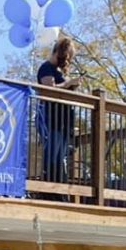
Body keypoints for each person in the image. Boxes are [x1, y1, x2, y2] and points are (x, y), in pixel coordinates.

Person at [37, 37, 80, 188]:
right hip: (52, 118)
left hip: (63, 121)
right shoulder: (46, 68)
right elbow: (50, 89)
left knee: (60, 157)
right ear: (60, 52)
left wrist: (72, 86)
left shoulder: (58, 71)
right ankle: (48, 188)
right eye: (67, 55)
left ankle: (58, 188)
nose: (67, 60)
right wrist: (68, 83)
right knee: (52, 156)